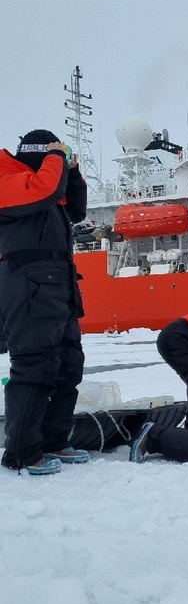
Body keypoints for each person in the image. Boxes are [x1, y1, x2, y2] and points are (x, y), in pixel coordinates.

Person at [0, 130, 89, 475]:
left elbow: (76, 210)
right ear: (39, 154)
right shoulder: (8, 179)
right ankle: (21, 452)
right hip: (26, 285)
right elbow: (44, 190)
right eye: (55, 154)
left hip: (57, 284)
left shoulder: (46, 185)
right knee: (34, 367)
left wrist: (74, 172)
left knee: (68, 365)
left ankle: (54, 440)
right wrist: (57, 158)